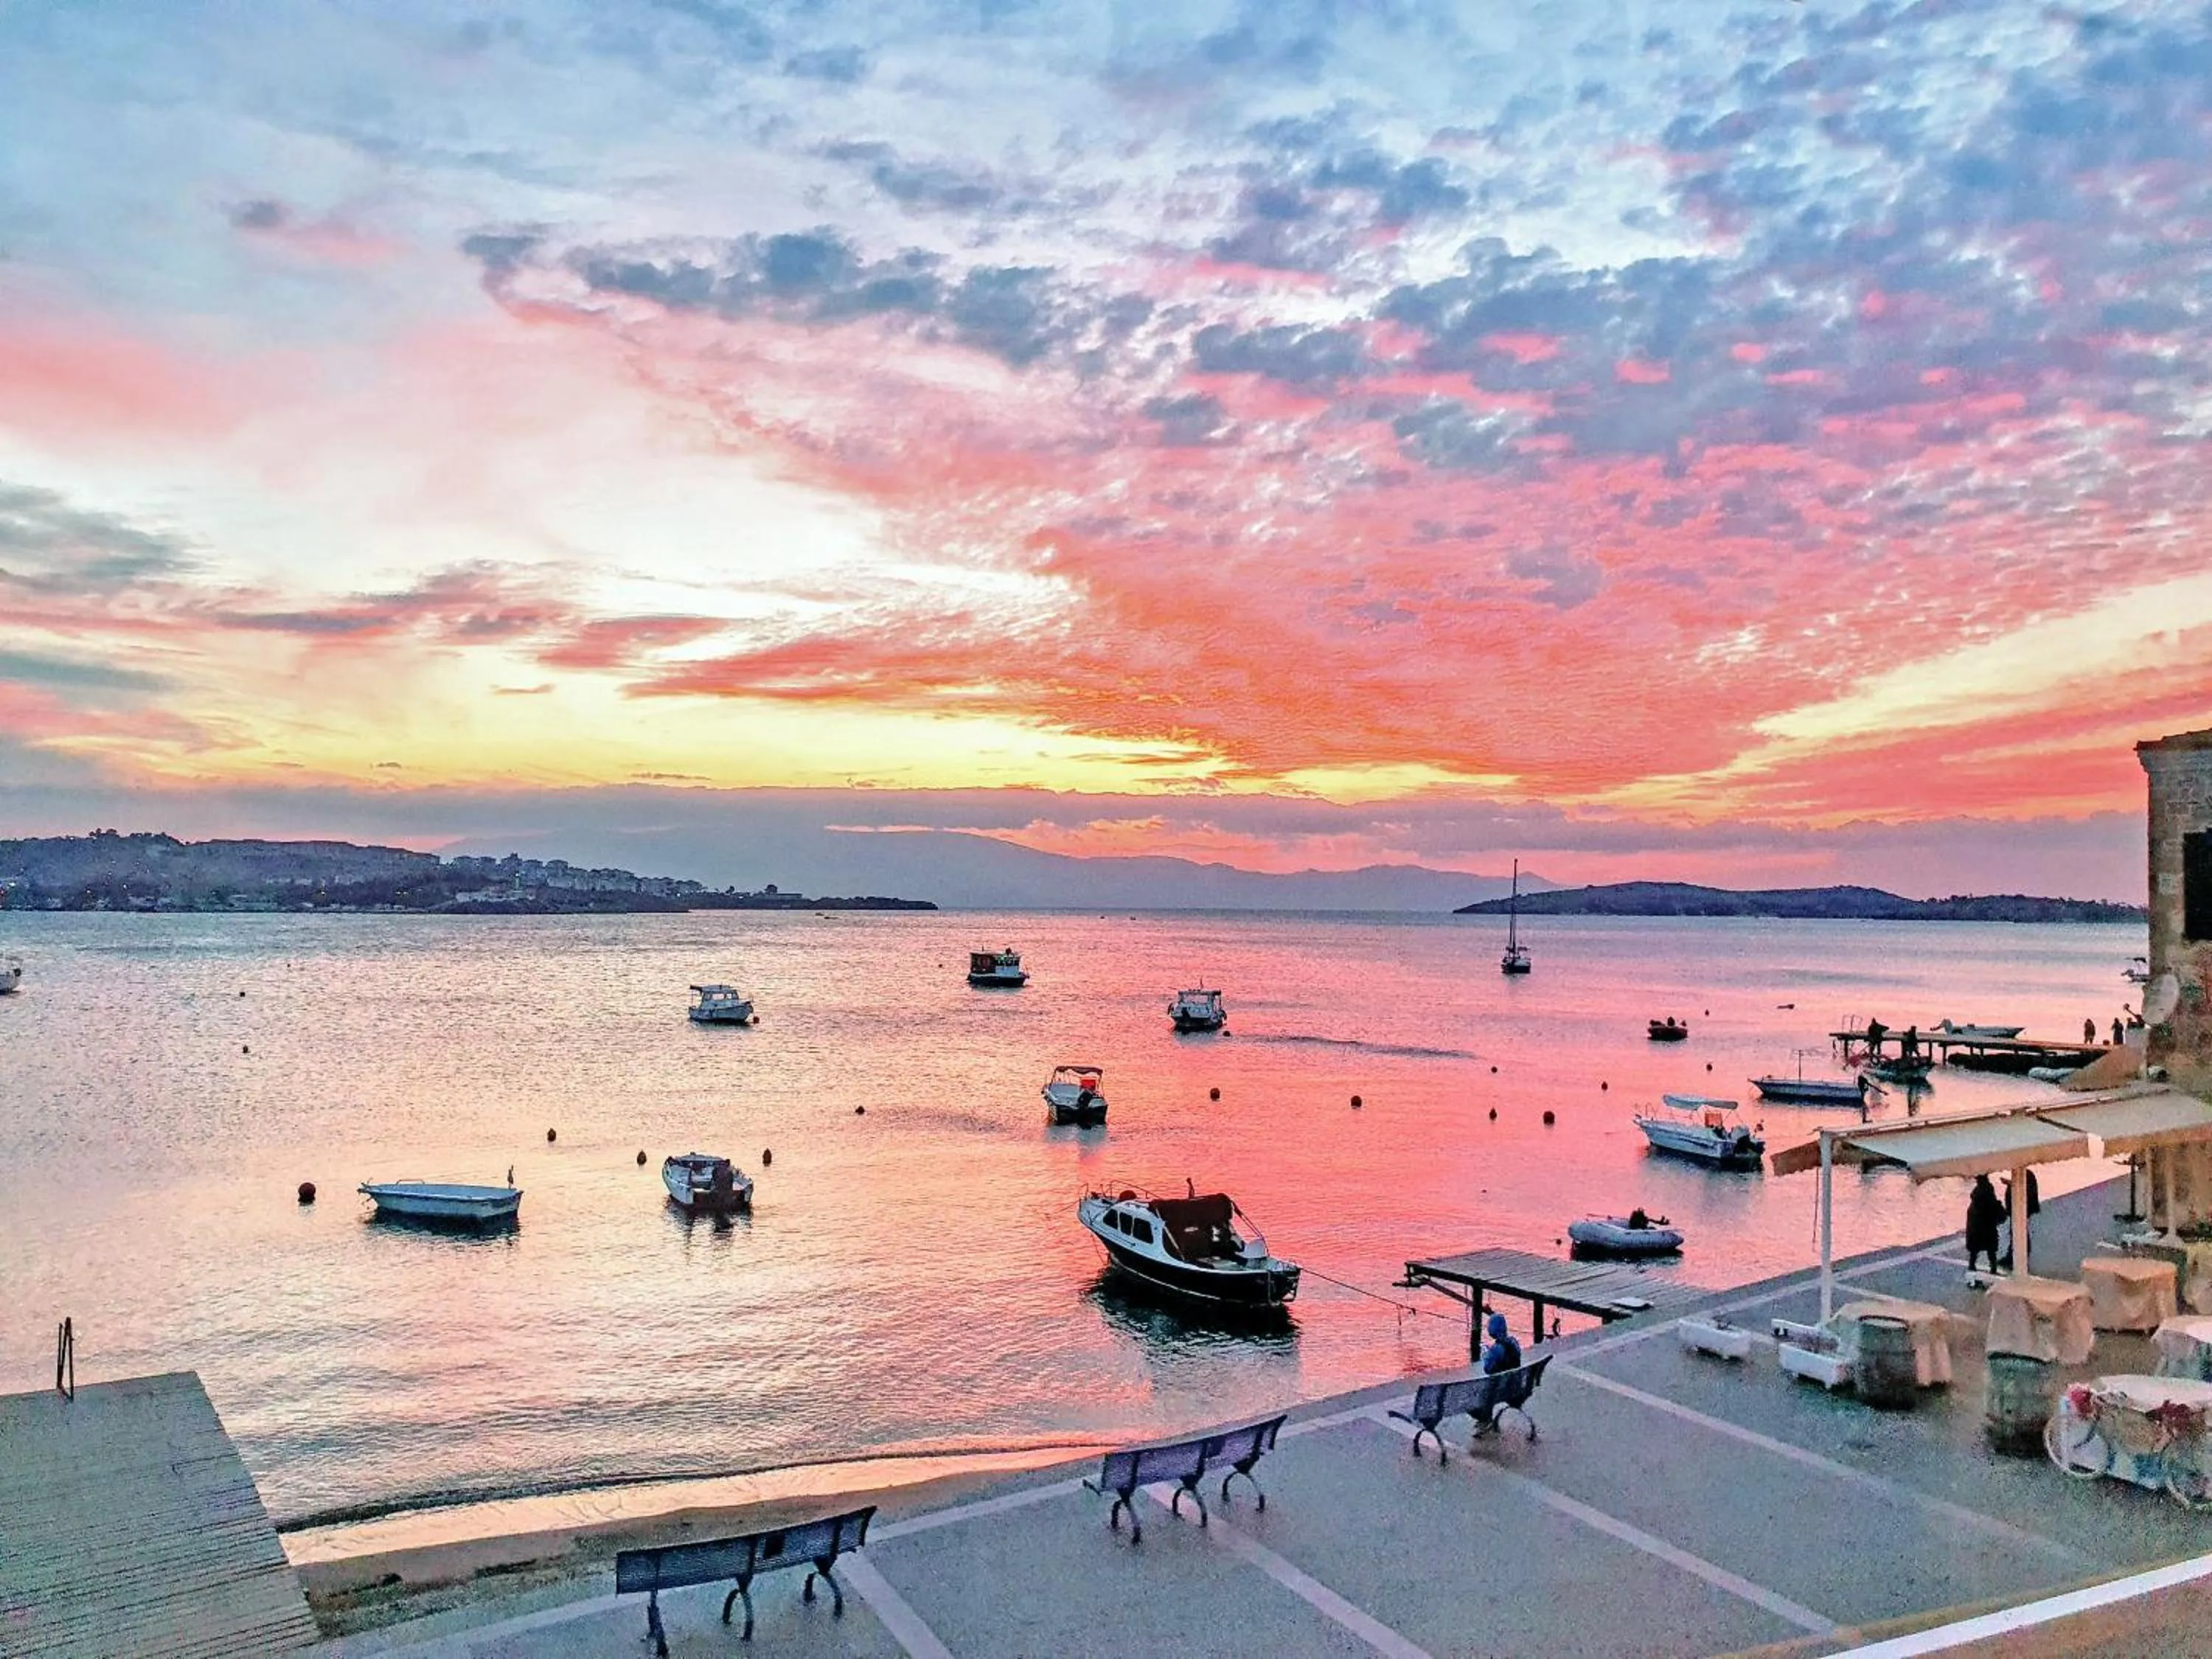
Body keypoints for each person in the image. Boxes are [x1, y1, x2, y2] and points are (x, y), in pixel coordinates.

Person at [1965, 1175, 2004, 1276]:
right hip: (1988, 1226)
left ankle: (1972, 1266)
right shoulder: (1988, 1191)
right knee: (1991, 1249)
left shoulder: (1976, 1195)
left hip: (1976, 1227)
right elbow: (1993, 1206)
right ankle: (1993, 1268)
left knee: (1975, 1249)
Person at [1481, 1310, 1523, 1374]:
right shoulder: (1514, 1341)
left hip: (1500, 1383)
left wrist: (1485, 1355)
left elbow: (1487, 1369)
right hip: (1515, 1381)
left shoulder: (1496, 1349)